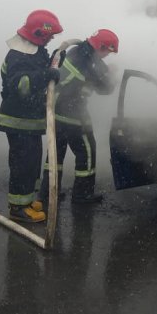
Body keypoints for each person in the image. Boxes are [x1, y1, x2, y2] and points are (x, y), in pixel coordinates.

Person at [0, 9, 63, 223]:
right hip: (18, 121)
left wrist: (55, 60)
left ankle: (26, 200)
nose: (51, 39)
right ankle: (18, 208)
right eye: (49, 35)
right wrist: (46, 75)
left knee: (32, 164)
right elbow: (22, 85)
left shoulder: (35, 50)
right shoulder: (18, 54)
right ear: (38, 33)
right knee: (22, 165)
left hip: (30, 121)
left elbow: (38, 71)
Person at [39, 29, 119, 204]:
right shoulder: (90, 62)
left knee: (55, 155)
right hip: (72, 114)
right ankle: (82, 195)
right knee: (87, 153)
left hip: (55, 111)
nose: (107, 56)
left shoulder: (75, 51)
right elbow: (106, 88)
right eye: (107, 52)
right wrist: (111, 74)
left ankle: (49, 192)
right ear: (101, 47)